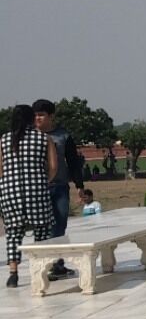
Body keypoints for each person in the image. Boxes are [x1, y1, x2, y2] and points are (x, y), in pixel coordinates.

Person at [1, 104, 57, 287]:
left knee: (13, 233)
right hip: (37, 191)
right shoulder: (44, 138)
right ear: (31, 119)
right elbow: (53, 167)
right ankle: (41, 271)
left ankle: (13, 273)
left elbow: (0, 169)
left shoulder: (4, 140)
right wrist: (44, 181)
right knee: (42, 231)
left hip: (10, 192)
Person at [32, 99, 83, 281]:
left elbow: (73, 161)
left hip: (60, 187)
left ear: (51, 116)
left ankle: (57, 265)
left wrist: (79, 185)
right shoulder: (30, 137)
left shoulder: (63, 136)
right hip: (38, 188)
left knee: (59, 226)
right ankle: (42, 265)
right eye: (35, 115)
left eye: (41, 115)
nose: (37, 118)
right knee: (42, 227)